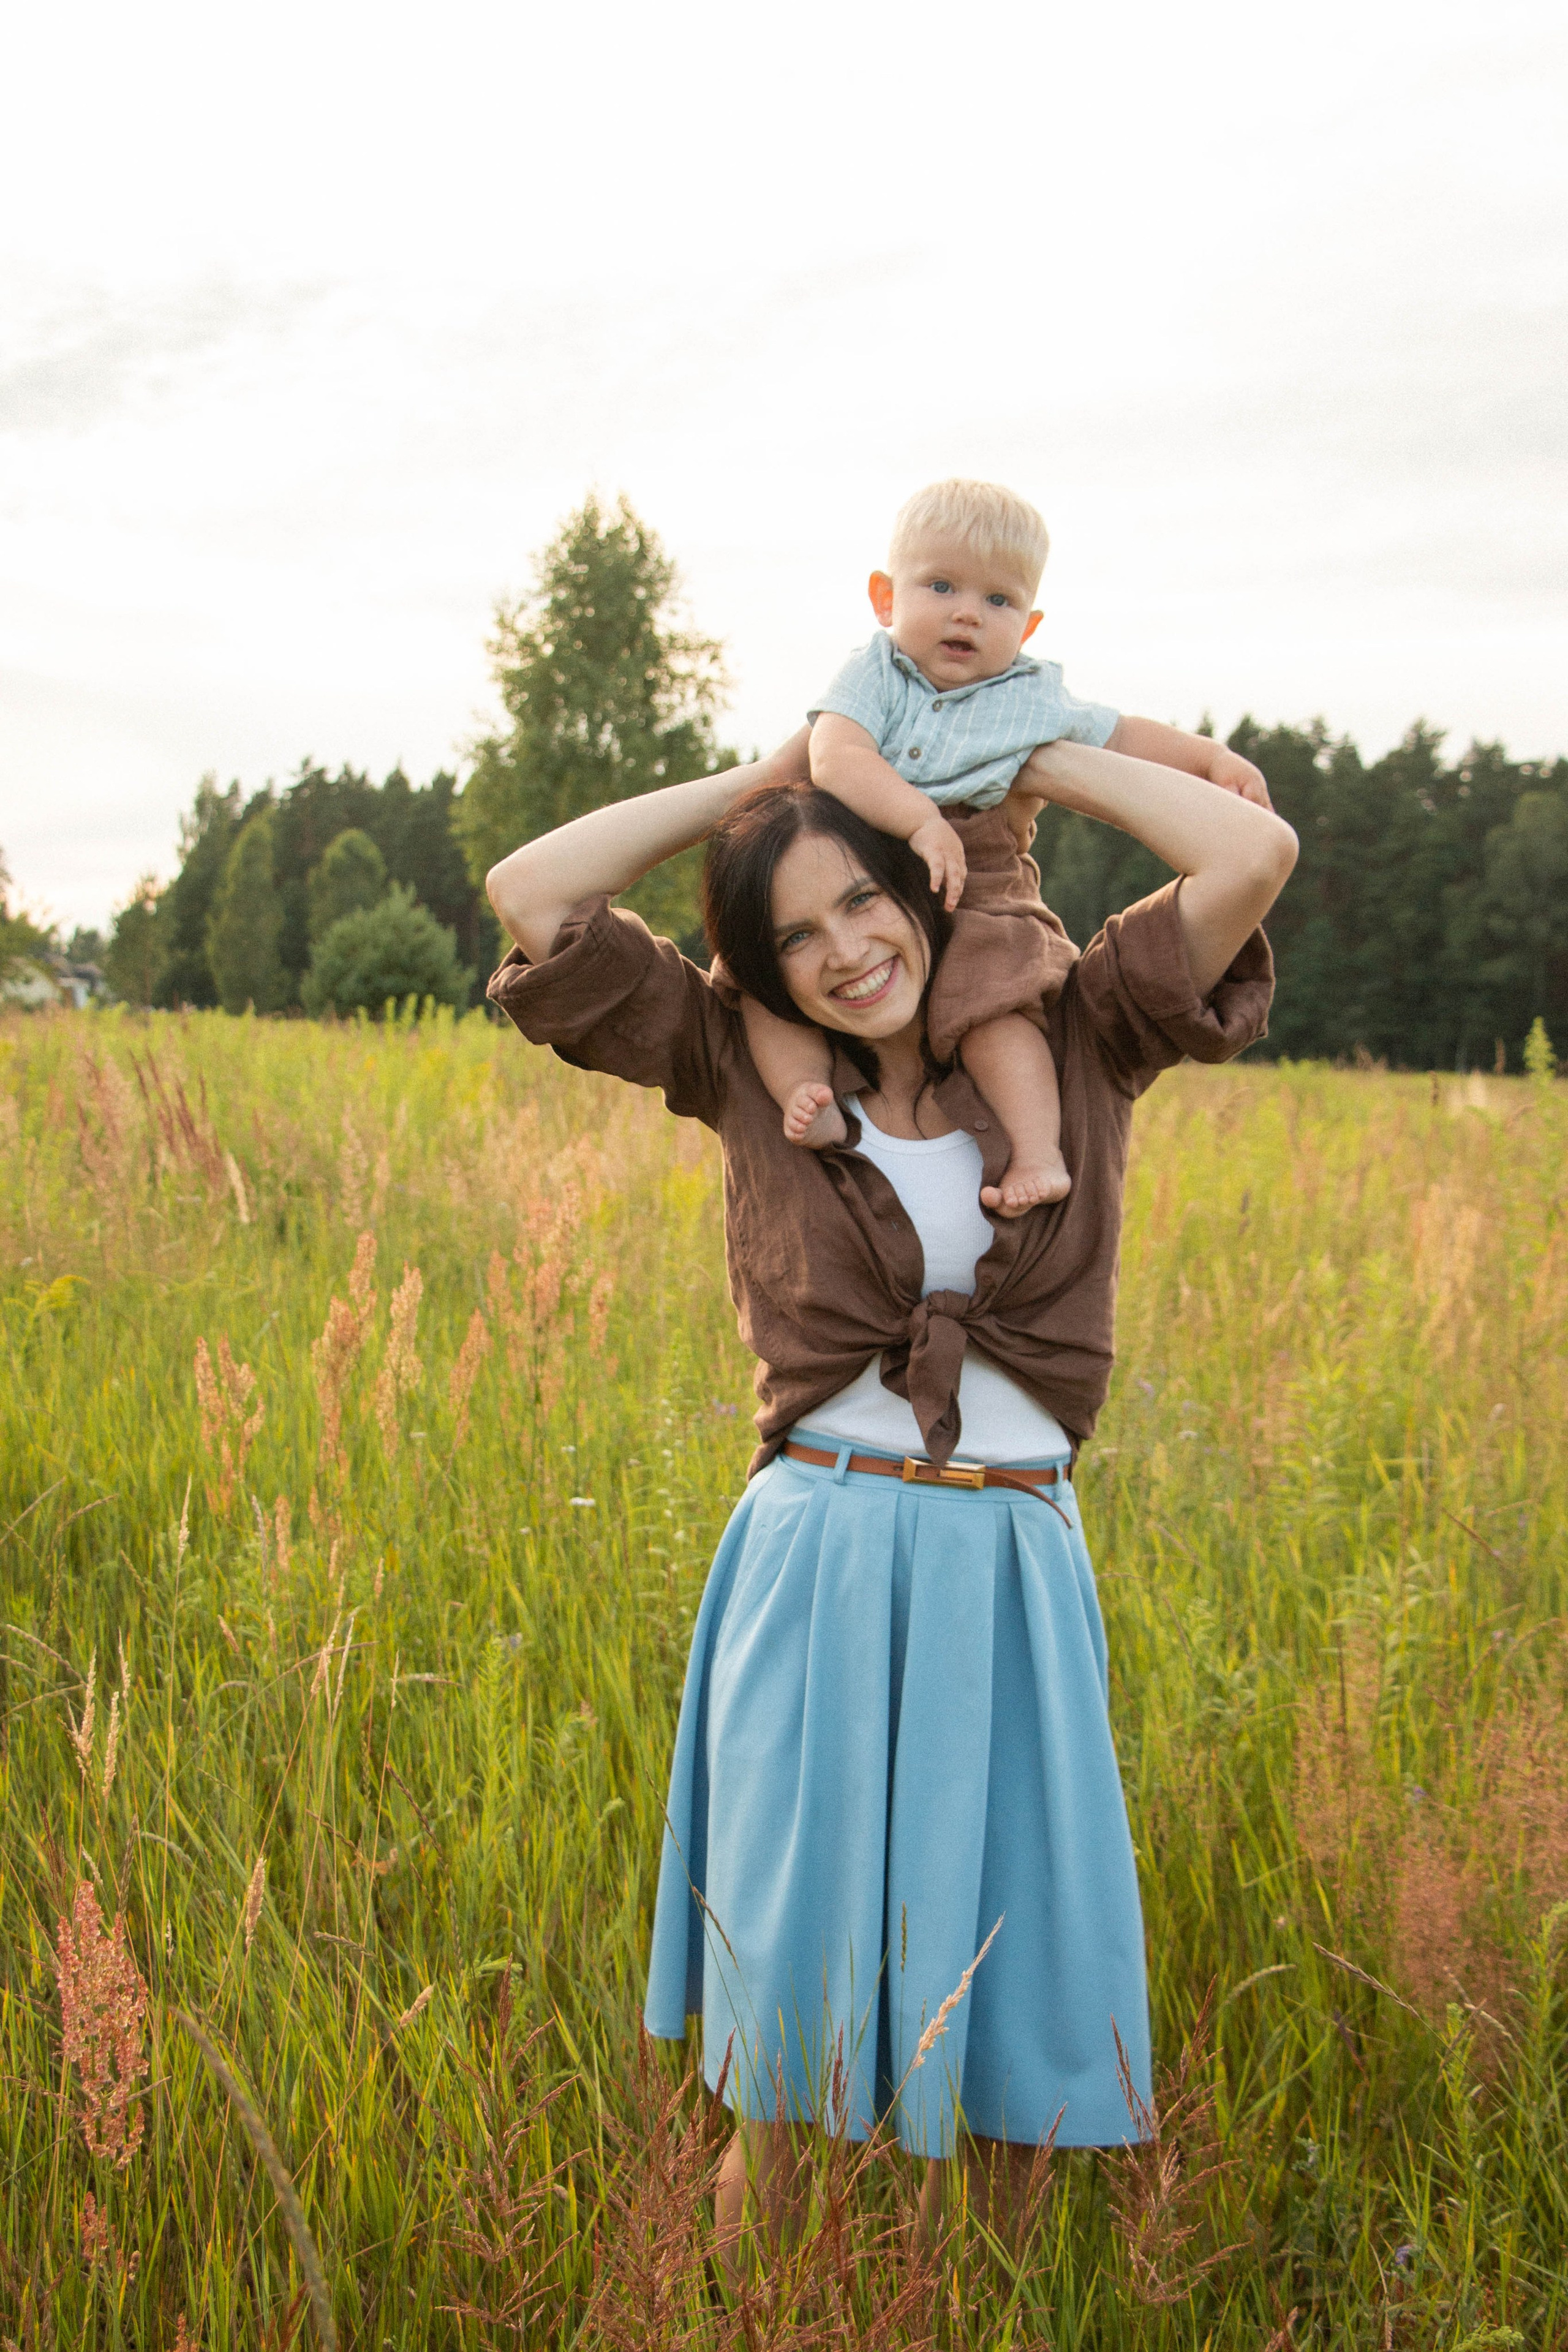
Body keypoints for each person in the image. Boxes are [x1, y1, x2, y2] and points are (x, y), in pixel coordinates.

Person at [484, 723, 1295, 2262]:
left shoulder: (1078, 1029)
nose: (844, 951)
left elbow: (1250, 858)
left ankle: (949, 2301)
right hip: (818, 1561)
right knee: (782, 2076)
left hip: (1009, 1567)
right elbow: (533, 892)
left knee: (1007, 2042)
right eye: (790, 934)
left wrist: (1032, 749)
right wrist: (767, 789)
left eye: (860, 899)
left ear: (923, 878)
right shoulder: (739, 1061)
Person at [734, 478, 1274, 1216]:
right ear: (885, 598)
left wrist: (1209, 759)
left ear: (1028, 624)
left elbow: (1121, 734)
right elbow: (837, 760)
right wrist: (919, 820)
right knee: (758, 979)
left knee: (1000, 1007)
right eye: (941, 585)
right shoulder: (873, 674)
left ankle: (1036, 1151)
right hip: (856, 870)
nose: (967, 612)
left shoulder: (1028, 697)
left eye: (998, 601)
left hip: (983, 883)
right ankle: (807, 1092)